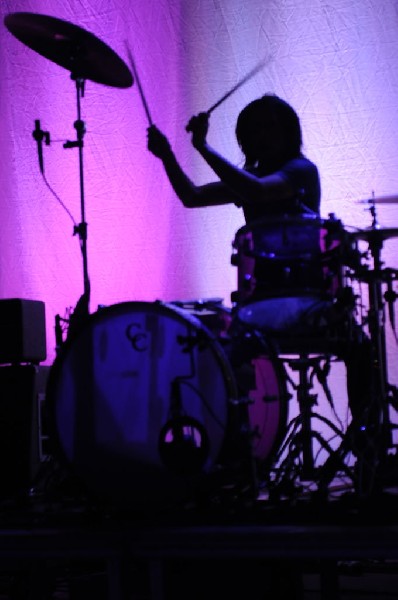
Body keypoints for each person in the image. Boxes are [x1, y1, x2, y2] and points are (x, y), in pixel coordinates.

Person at [147, 93, 382, 501]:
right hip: (261, 306)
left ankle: (368, 455)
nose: (259, 137)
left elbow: (255, 190)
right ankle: (240, 460)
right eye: (251, 131)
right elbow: (191, 196)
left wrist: (202, 146)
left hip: (310, 301)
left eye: (267, 127)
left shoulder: (300, 171)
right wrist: (167, 155)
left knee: (361, 349)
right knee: (219, 350)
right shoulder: (251, 179)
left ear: (287, 132)